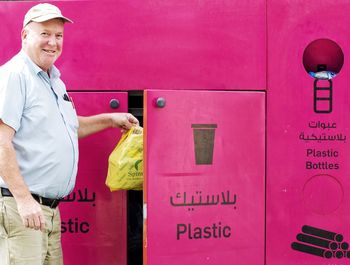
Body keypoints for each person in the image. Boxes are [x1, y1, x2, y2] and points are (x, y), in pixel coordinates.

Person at [0, 3, 139, 265]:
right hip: (24, 209)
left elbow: (68, 127)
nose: (53, 42)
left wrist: (111, 119)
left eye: (58, 35)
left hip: (49, 211)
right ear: (25, 35)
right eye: (45, 33)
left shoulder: (53, 80)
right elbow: (0, 141)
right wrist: (24, 200)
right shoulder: (15, 76)